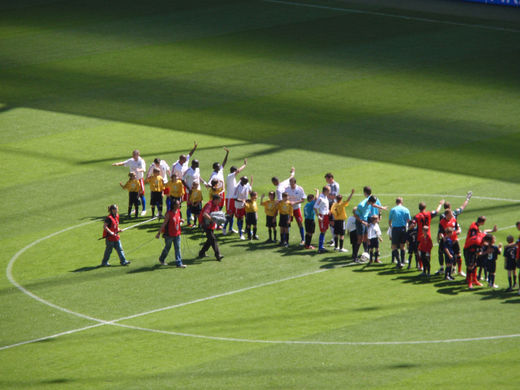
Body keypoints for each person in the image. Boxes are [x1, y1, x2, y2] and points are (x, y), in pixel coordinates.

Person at [437, 192, 472, 276]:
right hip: (448, 239)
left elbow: (441, 230)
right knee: (450, 254)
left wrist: (457, 229)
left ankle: (445, 268)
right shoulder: (453, 214)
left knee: (443, 253)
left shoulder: (446, 216)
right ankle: (453, 269)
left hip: (453, 238)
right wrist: (467, 198)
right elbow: (462, 207)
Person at [463, 216, 497, 289]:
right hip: (469, 250)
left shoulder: (483, 236)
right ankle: (469, 283)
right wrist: (487, 251)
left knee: (475, 264)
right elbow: (478, 253)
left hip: (472, 247)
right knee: (470, 266)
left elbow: (485, 232)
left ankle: (474, 280)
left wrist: (492, 231)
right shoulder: (478, 243)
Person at [112, 150, 147, 216]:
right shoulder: (131, 160)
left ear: (138, 154)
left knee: (141, 194)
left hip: (139, 179)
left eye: (134, 154)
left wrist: (139, 170)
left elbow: (144, 169)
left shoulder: (141, 161)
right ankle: (135, 209)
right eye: (133, 154)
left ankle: (144, 209)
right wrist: (117, 164)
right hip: (132, 180)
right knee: (134, 195)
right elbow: (124, 163)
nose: (133, 156)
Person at [353, 193, 387, 261]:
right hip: (360, 222)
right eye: (373, 202)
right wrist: (363, 222)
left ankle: (366, 253)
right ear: (371, 201)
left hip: (365, 221)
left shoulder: (369, 201)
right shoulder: (361, 205)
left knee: (366, 238)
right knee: (360, 239)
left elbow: (373, 205)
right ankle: (355, 256)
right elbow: (355, 215)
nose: (373, 204)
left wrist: (382, 207)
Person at [413, 200, 444, 274]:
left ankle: (422, 267)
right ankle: (428, 269)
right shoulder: (429, 214)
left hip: (420, 237)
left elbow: (413, 224)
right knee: (428, 253)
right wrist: (440, 204)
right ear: (425, 207)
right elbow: (436, 211)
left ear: (419, 208)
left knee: (420, 252)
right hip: (428, 236)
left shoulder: (417, 216)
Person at [155, 200, 186, 268]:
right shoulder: (168, 214)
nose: (179, 205)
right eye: (178, 204)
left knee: (177, 248)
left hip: (177, 234)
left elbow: (177, 220)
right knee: (167, 247)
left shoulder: (178, 212)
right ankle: (161, 259)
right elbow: (164, 223)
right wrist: (158, 233)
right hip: (169, 235)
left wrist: (181, 220)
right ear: (174, 205)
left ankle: (179, 263)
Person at [223, 159, 247, 235]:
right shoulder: (230, 176)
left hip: (233, 199)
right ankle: (224, 228)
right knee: (229, 214)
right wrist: (244, 165)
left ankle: (230, 229)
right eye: (236, 171)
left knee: (232, 214)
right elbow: (238, 171)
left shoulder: (232, 178)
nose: (237, 173)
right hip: (230, 198)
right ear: (234, 171)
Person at [198, 195, 224, 261]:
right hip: (205, 225)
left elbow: (217, 216)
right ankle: (218, 255)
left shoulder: (216, 206)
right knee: (212, 239)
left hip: (210, 225)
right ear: (215, 200)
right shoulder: (209, 205)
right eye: (219, 200)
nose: (220, 202)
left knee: (210, 240)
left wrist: (218, 224)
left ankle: (202, 252)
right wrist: (212, 220)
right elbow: (205, 214)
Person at [438, 209, 462, 277]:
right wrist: (443, 237)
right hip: (448, 242)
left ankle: (458, 271)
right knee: (449, 257)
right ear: (446, 215)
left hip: (455, 240)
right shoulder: (442, 222)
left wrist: (458, 231)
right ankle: (447, 273)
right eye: (450, 214)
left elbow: (458, 228)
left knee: (458, 255)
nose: (452, 215)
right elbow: (440, 232)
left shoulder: (454, 220)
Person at [388, 197, 411, 268]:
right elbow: (409, 220)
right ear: (402, 202)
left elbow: (389, 221)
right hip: (403, 229)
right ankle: (403, 261)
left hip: (395, 229)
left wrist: (391, 227)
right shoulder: (406, 209)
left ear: (396, 202)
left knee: (394, 246)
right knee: (402, 246)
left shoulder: (393, 209)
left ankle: (398, 262)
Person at [285, 177, 306, 245]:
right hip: (289, 209)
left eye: (291, 183)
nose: (290, 184)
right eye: (290, 183)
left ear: (294, 182)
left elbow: (303, 199)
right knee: (287, 224)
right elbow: (284, 197)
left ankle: (303, 239)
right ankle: (286, 240)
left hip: (296, 209)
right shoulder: (287, 189)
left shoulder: (300, 189)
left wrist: (295, 202)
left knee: (299, 223)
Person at [233, 176, 253, 240]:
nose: (246, 183)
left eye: (247, 182)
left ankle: (247, 230)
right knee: (240, 219)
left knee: (247, 218)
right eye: (245, 181)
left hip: (246, 205)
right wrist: (243, 200)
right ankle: (240, 233)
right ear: (242, 181)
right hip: (239, 206)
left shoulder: (246, 184)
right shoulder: (237, 187)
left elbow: (250, 190)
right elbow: (235, 198)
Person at [183, 159, 201, 225]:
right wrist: (188, 188)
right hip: (190, 192)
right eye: (197, 163)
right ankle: (188, 221)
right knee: (189, 206)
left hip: (198, 191)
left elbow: (199, 177)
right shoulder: (188, 171)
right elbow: (182, 180)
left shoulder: (197, 169)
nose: (198, 165)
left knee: (198, 207)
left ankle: (196, 223)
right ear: (193, 164)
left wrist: (204, 182)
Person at [314, 186, 330, 253]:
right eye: (329, 191)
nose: (330, 192)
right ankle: (320, 248)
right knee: (322, 231)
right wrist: (318, 217)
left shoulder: (324, 196)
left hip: (326, 215)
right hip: (322, 216)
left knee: (325, 230)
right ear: (326, 191)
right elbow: (315, 207)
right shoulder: (321, 198)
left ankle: (322, 246)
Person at [325, 173, 340, 246]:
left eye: (327, 179)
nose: (326, 181)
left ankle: (335, 240)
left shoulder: (335, 185)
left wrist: (325, 194)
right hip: (328, 205)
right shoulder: (328, 186)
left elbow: (333, 196)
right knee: (330, 222)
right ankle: (333, 238)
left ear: (330, 178)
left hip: (333, 206)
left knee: (333, 222)